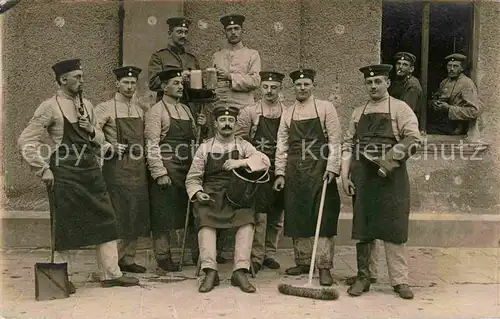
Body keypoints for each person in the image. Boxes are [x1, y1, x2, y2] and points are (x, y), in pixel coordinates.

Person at [18, 59, 138, 290]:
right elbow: (25, 140)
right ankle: (62, 278)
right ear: (63, 80)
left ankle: (111, 274)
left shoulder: (88, 106)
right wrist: (42, 169)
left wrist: (90, 129)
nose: (82, 81)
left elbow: (100, 142)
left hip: (90, 170)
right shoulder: (49, 106)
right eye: (78, 77)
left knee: (106, 219)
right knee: (66, 224)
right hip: (65, 171)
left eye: (82, 76)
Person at [341, 64, 420, 299]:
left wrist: (388, 162)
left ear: (387, 83)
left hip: (391, 178)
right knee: (364, 229)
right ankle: (364, 276)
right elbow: (347, 144)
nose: (373, 86)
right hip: (363, 177)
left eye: (378, 81)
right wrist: (345, 176)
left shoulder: (400, 108)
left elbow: (413, 138)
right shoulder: (357, 112)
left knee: (394, 227)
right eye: (369, 82)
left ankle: (399, 280)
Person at [185, 105, 270, 293]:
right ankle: (210, 271)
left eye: (230, 121)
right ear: (215, 124)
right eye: (222, 121)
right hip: (211, 194)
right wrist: (198, 192)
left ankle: (240, 271)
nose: (227, 124)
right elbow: (193, 177)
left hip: (236, 195)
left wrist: (241, 162)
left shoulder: (243, 145)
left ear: (235, 123)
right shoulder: (205, 147)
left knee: (247, 220)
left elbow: (264, 161)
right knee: (204, 218)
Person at [274, 68, 342, 286]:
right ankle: (303, 261)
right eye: (298, 85)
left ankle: (323, 266)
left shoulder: (325, 108)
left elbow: (335, 140)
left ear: (313, 85)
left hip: (320, 169)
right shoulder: (289, 112)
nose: (302, 88)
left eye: (306, 84)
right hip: (295, 171)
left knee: (323, 217)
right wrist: (280, 173)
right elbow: (282, 145)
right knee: (297, 214)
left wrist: (332, 168)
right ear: (293, 87)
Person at [145, 68, 206, 272]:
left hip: (187, 166)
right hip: (167, 166)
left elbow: (194, 137)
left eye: (181, 83)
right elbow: (151, 144)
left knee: (190, 211)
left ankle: (196, 254)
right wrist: (159, 172)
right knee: (164, 213)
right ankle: (163, 256)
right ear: (164, 87)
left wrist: (200, 127)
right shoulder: (156, 112)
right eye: (176, 83)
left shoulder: (186, 110)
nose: (180, 86)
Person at [95, 66, 150, 273]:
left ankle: (128, 258)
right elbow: (92, 133)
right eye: (125, 83)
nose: (129, 87)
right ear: (117, 84)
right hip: (115, 168)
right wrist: (108, 147)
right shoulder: (104, 108)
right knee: (117, 213)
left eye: (133, 83)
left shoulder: (140, 110)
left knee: (134, 212)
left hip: (137, 169)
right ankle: (112, 262)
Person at [235, 71, 286, 273]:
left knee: (277, 213)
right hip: (258, 169)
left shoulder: (288, 112)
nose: (269, 91)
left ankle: (270, 254)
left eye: (274, 87)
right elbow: (239, 138)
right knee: (261, 213)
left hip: (281, 165)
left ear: (280, 89)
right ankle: (256, 256)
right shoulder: (250, 112)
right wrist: (253, 159)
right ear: (260, 88)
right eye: (265, 87)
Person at [212, 14, 261, 110]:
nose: (233, 32)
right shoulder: (217, 56)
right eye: (229, 29)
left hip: (244, 107)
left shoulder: (252, 54)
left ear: (242, 31)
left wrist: (230, 77)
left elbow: (255, 81)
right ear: (225, 33)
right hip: (221, 107)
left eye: (236, 28)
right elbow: (213, 84)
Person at [428, 53, 483, 139]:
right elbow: (438, 98)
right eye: (449, 66)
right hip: (442, 123)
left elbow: (474, 111)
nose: (451, 69)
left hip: (457, 128)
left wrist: (449, 108)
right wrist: (435, 104)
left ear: (462, 68)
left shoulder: (466, 84)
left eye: (455, 66)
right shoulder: (444, 82)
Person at [148, 17, 200, 102]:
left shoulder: (192, 60)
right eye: (179, 32)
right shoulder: (159, 57)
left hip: (189, 108)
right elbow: (153, 83)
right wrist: (178, 77)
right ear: (170, 33)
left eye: (185, 32)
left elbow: (199, 87)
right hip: (167, 107)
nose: (183, 35)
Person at [388, 52, 423, 122]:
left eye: (405, 65)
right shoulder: (397, 81)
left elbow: (405, 112)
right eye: (398, 63)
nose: (400, 67)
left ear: (411, 69)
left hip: (406, 123)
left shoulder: (412, 85)